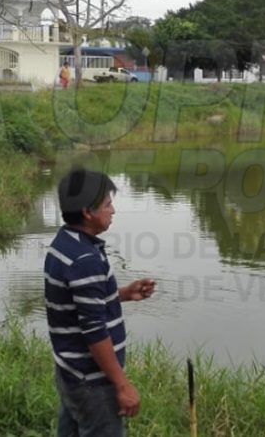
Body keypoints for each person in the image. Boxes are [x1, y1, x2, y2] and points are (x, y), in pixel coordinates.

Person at [44, 168, 157, 436]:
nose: (113, 210)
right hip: (93, 383)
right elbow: (94, 330)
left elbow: (77, 304)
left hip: (70, 372)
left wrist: (123, 294)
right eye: (107, 204)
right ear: (87, 212)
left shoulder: (64, 244)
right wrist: (122, 385)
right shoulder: (86, 260)